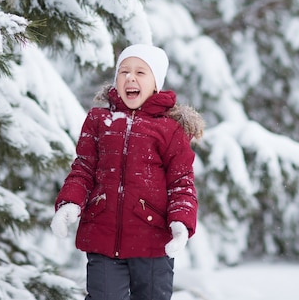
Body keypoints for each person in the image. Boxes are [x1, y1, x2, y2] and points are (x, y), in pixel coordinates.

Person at [51, 43, 204, 300]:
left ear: (156, 82)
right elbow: (83, 169)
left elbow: (181, 182)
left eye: (140, 73)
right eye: (124, 72)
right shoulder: (99, 120)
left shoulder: (170, 129)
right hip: (103, 235)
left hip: (153, 240)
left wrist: (180, 222)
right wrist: (69, 203)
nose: (130, 77)